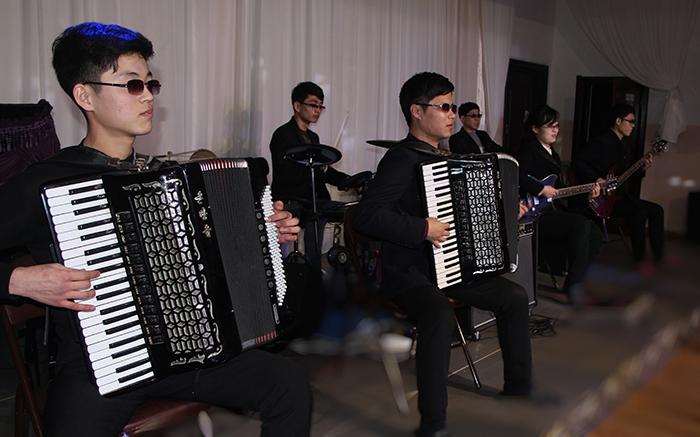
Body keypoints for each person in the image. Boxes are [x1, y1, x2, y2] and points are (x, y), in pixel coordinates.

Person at [0, 22, 312, 437]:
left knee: (290, 384)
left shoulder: (167, 178)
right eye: (132, 85)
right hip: (101, 368)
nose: (147, 95)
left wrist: (265, 234)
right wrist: (18, 280)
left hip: (191, 352)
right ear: (85, 96)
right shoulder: (44, 183)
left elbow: (211, 259)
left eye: (150, 84)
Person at [353, 72, 542, 437]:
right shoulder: (401, 159)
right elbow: (367, 216)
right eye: (443, 107)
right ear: (417, 111)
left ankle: (519, 387)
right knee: (438, 314)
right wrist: (421, 228)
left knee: (515, 297)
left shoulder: (450, 158)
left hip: (451, 266)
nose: (452, 114)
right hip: (407, 271)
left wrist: (506, 213)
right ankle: (433, 423)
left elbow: (466, 215)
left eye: (453, 107)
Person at [516, 105, 602, 307]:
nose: (555, 130)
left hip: (550, 209)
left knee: (594, 232)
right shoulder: (529, 150)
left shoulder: (552, 155)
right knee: (580, 225)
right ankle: (574, 288)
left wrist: (588, 197)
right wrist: (540, 189)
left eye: (556, 126)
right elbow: (515, 173)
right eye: (549, 126)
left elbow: (562, 191)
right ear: (535, 128)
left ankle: (576, 281)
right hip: (533, 212)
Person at [269, 81, 350, 270]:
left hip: (312, 199)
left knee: (348, 210)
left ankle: (324, 267)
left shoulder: (313, 138)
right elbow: (284, 174)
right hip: (291, 198)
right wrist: (316, 169)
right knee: (316, 213)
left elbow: (324, 172)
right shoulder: (283, 135)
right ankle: (309, 269)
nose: (318, 110)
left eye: (321, 106)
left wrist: (348, 181)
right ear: (297, 106)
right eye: (314, 105)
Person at [571, 103, 665, 267]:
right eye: (630, 121)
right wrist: (597, 179)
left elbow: (620, 175)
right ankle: (640, 260)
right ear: (618, 121)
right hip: (601, 198)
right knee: (639, 212)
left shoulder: (622, 144)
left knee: (657, 210)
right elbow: (578, 163)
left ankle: (659, 257)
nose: (633, 126)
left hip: (618, 195)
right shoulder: (601, 142)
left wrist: (642, 168)